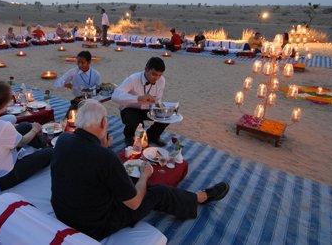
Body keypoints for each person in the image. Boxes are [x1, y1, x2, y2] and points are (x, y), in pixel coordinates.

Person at [51, 99, 230, 240]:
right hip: (94, 225)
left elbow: (85, 164)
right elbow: (135, 203)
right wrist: (145, 176)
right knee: (158, 192)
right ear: (104, 123)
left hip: (63, 211)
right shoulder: (105, 157)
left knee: (123, 180)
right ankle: (200, 197)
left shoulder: (63, 140)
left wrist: (103, 147)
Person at [0, 81, 53, 190]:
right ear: (1, 104)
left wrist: (29, 126)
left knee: (25, 126)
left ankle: (42, 145)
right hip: (3, 176)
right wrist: (35, 129)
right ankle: (47, 148)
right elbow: (22, 141)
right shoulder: (1, 127)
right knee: (50, 152)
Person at [112, 57, 169, 147]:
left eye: (159, 75)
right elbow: (115, 96)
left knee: (166, 117)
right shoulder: (133, 79)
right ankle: (129, 136)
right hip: (130, 109)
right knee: (138, 124)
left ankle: (152, 136)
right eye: (154, 74)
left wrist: (159, 108)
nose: (157, 78)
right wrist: (138, 98)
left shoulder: (162, 80)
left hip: (149, 109)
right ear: (146, 69)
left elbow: (158, 99)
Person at [54, 50, 101, 116]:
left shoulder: (96, 74)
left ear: (89, 62)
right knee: (68, 119)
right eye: (78, 62)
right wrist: (64, 84)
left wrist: (90, 99)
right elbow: (58, 82)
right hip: (78, 101)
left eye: (82, 62)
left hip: (91, 101)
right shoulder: (73, 72)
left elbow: (97, 91)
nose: (79, 65)